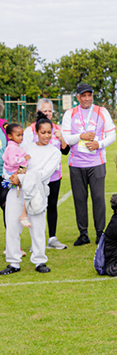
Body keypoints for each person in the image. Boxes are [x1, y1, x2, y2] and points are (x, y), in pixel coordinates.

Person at [1, 115, 61, 275]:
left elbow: (42, 174)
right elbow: (10, 165)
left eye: (49, 132)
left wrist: (20, 178)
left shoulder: (54, 152)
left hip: (37, 193)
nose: (46, 135)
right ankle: (13, 262)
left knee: (37, 228)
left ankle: (39, 260)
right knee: (12, 226)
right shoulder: (25, 147)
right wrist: (10, 177)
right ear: (36, 132)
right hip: (16, 191)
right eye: (43, 132)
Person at [61, 83, 116, 245]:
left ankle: (100, 233)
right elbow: (66, 138)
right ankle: (83, 234)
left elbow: (112, 135)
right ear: (78, 97)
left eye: (89, 95)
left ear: (92, 96)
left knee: (98, 198)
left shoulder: (102, 111)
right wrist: (81, 136)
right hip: (76, 164)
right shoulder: (70, 114)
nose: (87, 99)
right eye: (83, 96)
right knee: (79, 199)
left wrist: (99, 144)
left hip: (97, 163)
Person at [22, 98, 70, 250]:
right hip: (35, 177)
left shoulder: (56, 128)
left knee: (52, 205)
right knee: (36, 207)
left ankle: (52, 238)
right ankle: (36, 241)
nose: (48, 113)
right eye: (45, 110)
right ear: (38, 111)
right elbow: (24, 152)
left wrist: (61, 137)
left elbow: (65, 151)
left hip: (54, 176)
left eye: (50, 110)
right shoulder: (30, 130)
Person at [2, 123, 31, 227]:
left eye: (22, 135)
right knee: (28, 192)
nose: (21, 138)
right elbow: (13, 161)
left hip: (15, 172)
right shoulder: (12, 148)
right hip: (16, 172)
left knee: (25, 193)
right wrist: (24, 158)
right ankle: (23, 215)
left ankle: (23, 215)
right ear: (10, 136)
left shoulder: (13, 147)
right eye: (18, 135)